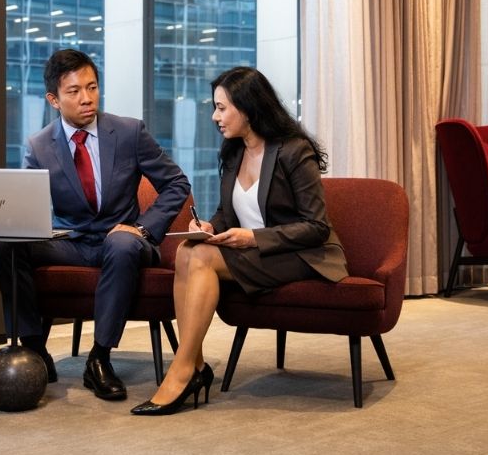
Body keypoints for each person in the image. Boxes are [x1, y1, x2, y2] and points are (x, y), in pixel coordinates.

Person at [131, 66, 349, 415]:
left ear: (248, 107)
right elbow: (227, 214)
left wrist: (253, 237)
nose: (215, 116)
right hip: (255, 253)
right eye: (215, 107)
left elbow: (316, 226)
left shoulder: (294, 151)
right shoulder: (233, 151)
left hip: (302, 255)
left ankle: (183, 370)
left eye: (222, 107)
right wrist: (209, 227)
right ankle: (195, 367)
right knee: (189, 250)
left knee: (199, 258)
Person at [0, 49, 190, 401]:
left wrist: (143, 228)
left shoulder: (129, 132)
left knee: (122, 243)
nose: (86, 98)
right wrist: (7, 219)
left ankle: (99, 359)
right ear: (54, 99)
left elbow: (177, 184)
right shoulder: (39, 145)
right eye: (73, 91)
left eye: (92, 87)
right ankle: (36, 349)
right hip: (72, 241)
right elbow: (25, 202)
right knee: (6, 244)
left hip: (125, 242)